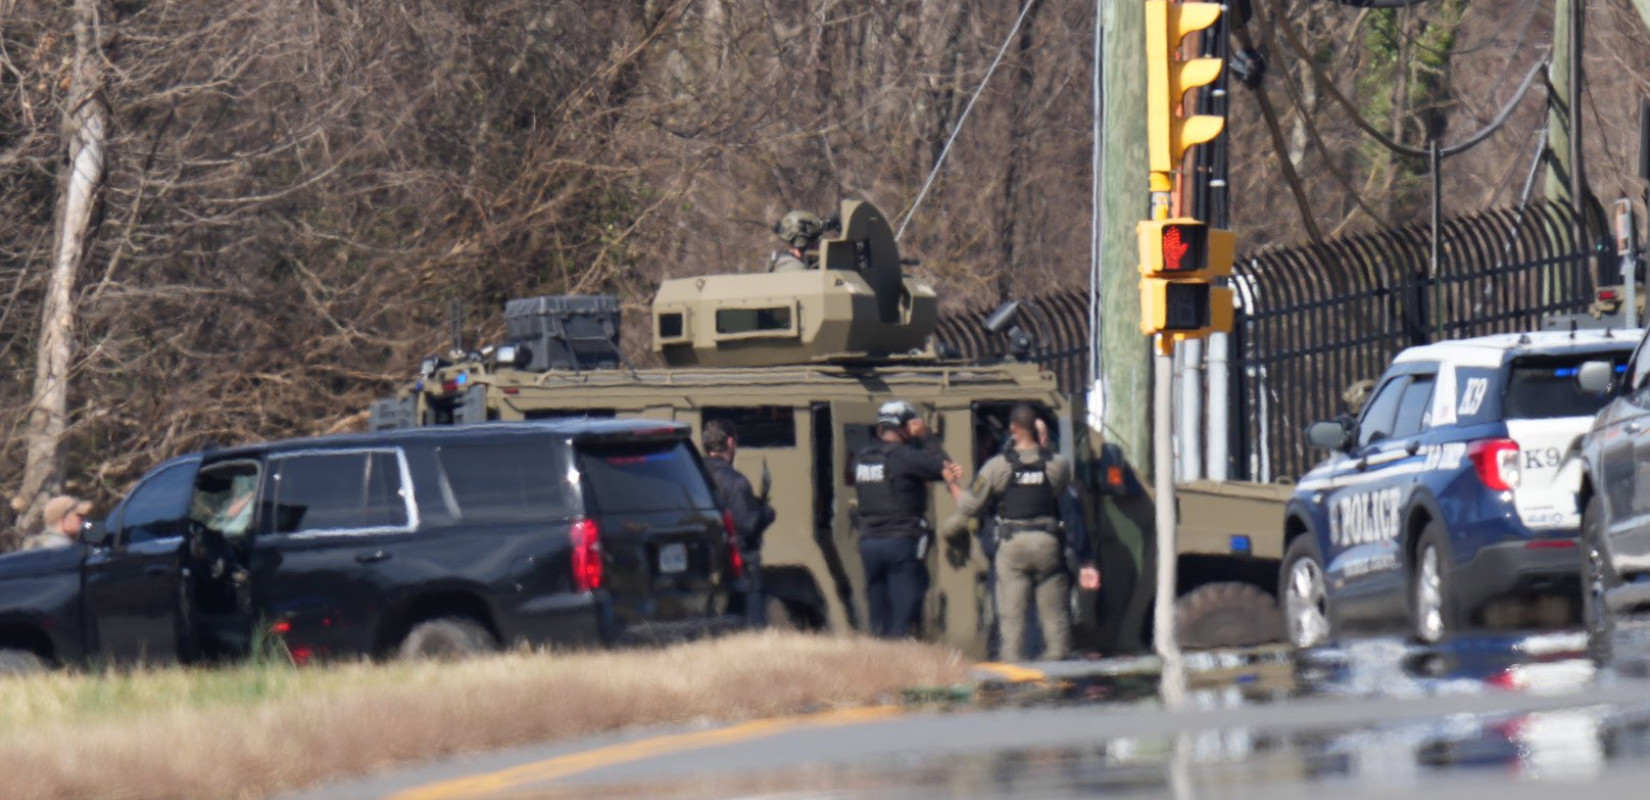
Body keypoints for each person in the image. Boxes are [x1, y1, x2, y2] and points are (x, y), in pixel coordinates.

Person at [941, 405, 1100, 662]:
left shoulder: (997, 467)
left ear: (1013, 429)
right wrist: (1086, 561)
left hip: (1012, 546)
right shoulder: (1058, 465)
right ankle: (1056, 671)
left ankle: (1013, 670)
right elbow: (1069, 509)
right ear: (1037, 431)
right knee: (1055, 618)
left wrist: (951, 483)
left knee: (1012, 618)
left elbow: (968, 506)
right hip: (1048, 545)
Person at [852, 400, 953, 637]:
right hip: (900, 543)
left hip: (869, 543)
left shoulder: (863, 458)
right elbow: (946, 466)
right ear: (905, 427)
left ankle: (878, 662)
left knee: (878, 618)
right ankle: (899, 661)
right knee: (903, 615)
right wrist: (926, 436)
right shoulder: (905, 457)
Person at [702, 419, 776, 624]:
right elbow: (748, 524)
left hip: (703, 564)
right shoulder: (736, 483)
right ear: (730, 442)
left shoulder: (695, 475)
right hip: (739, 565)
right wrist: (765, 512)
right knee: (751, 622)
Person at [23, 495, 92, 550]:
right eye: (79, 515)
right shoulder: (60, 545)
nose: (83, 519)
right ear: (61, 519)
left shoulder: (43, 541)